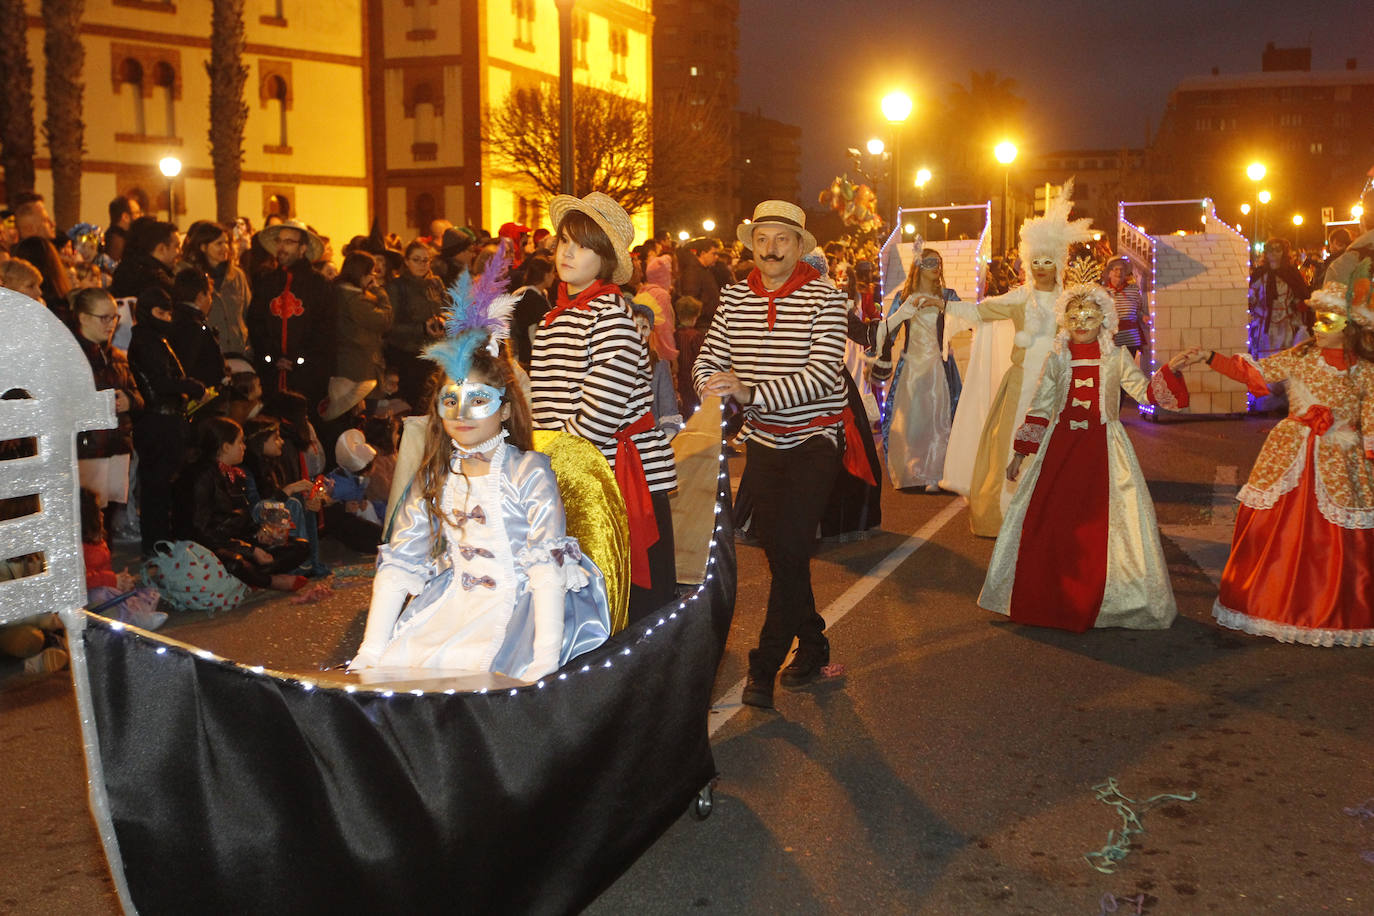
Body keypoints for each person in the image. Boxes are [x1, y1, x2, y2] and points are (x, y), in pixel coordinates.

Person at [350, 277, 612, 679]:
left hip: (523, 610)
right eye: (450, 400)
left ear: (505, 410)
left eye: (479, 400)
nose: (461, 413)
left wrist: (544, 659)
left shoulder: (528, 471)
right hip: (454, 603)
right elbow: (401, 561)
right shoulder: (433, 477)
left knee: (481, 674)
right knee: (404, 668)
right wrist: (370, 650)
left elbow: (546, 567)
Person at [694, 200, 850, 709]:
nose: (770, 248)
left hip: (814, 441)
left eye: (782, 238)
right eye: (762, 238)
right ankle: (814, 643)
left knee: (788, 547)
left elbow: (824, 373)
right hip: (763, 442)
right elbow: (708, 358)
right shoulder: (734, 297)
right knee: (784, 555)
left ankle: (763, 668)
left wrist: (750, 391)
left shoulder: (827, 299)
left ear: (800, 246)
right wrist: (713, 385)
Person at [979, 261, 1190, 632]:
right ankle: (1048, 595)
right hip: (1060, 451)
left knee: (1106, 525)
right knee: (1052, 522)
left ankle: (1112, 599)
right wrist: (1021, 451)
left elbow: (1143, 391)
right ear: (1064, 320)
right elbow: (1042, 405)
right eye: (1074, 316)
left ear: (1104, 320)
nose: (1081, 323)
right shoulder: (1058, 357)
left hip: (1105, 450)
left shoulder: (1115, 357)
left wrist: (1170, 371)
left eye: (1090, 316)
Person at [1176, 268, 1374, 646]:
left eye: (1328, 319)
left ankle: (1337, 610)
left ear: (1351, 325)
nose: (1318, 326)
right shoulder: (1299, 358)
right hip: (1291, 454)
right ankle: (1273, 602)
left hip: (1342, 461)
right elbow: (1253, 371)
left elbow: (1372, 419)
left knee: (1342, 543)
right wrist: (1209, 357)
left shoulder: (1366, 372)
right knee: (1278, 536)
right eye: (1315, 318)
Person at [529, 193, 677, 619]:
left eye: (585, 245)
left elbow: (599, 414)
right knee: (587, 595)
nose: (568, 252)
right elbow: (544, 402)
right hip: (573, 470)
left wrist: (546, 461)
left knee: (629, 600)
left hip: (615, 473)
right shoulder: (554, 318)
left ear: (608, 258)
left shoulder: (610, 316)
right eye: (563, 241)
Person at [944, 181, 1095, 536]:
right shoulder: (1018, 299)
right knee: (1012, 446)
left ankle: (1056, 514)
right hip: (1021, 384)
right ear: (1029, 264)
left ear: (1058, 263)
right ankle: (1010, 515)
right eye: (1036, 261)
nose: (1042, 267)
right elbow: (980, 313)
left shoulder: (1070, 300)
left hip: (1060, 385)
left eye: (1048, 260)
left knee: (1058, 448)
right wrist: (939, 304)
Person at [175, 417, 310, 591]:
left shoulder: (235, 474)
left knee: (300, 546)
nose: (244, 447)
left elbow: (241, 518)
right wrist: (250, 549)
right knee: (235, 563)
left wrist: (260, 534)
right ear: (225, 447)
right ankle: (269, 581)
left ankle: (251, 577)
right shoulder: (200, 477)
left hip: (235, 541)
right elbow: (201, 532)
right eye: (240, 442)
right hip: (204, 547)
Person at [876, 247, 962, 491]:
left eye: (938, 262)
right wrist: (876, 356)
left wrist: (944, 306)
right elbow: (888, 332)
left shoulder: (949, 295)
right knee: (911, 423)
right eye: (929, 262)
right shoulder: (904, 299)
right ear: (918, 266)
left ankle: (936, 474)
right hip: (911, 367)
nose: (936, 266)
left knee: (939, 420)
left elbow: (968, 320)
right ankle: (915, 470)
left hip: (940, 366)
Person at [127, 286, 206, 554]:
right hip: (158, 422)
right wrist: (188, 386)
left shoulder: (153, 338)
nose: (168, 318)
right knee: (157, 490)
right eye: (161, 312)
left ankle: (161, 542)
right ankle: (157, 545)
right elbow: (159, 383)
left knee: (161, 489)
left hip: (165, 420)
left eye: (168, 312)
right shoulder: (146, 341)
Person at [70, 288, 143, 529]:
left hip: (115, 447)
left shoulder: (116, 356)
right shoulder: (70, 356)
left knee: (106, 520)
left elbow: (139, 395)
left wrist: (130, 400)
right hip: (86, 450)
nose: (111, 323)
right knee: (86, 521)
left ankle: (104, 566)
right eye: (105, 317)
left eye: (115, 317)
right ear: (83, 317)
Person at [245, 219, 333, 403]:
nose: (282, 247)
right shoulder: (266, 281)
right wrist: (272, 354)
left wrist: (298, 357)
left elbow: (325, 328)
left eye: (289, 242)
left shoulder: (319, 284)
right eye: (280, 241)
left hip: (307, 374)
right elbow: (255, 322)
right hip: (271, 372)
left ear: (302, 248)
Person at [80, 488, 167, 631]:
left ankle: (136, 609)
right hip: (88, 600)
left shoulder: (97, 542)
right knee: (102, 594)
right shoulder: (80, 548)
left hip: (102, 589)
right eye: (98, 511)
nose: (102, 514)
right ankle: (136, 619)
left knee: (128, 592)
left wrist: (120, 581)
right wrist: (113, 580)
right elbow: (84, 580)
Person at [384, 240, 447, 408]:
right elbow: (390, 325)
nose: (422, 264)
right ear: (406, 261)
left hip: (435, 353)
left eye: (426, 260)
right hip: (408, 355)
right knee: (414, 406)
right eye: (416, 260)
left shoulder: (435, 283)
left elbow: (449, 308)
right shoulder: (397, 287)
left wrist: (443, 321)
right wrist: (421, 328)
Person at [180, 220, 253, 359]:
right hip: (207, 356)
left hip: (239, 355)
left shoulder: (237, 276)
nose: (225, 248)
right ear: (203, 247)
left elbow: (248, 313)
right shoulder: (191, 277)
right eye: (219, 244)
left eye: (226, 243)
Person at [333, 250, 393, 391]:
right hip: (358, 365)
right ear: (361, 274)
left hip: (348, 362)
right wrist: (380, 293)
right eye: (371, 273)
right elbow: (383, 320)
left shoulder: (339, 292)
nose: (373, 277)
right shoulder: (355, 299)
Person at [1248, 238, 1311, 366]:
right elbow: (1250, 297)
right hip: (1264, 325)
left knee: (1286, 361)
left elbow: (1300, 296)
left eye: (1278, 250)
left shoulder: (1291, 273)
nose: (1273, 253)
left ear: (1284, 252)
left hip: (1286, 323)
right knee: (1264, 363)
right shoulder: (1260, 274)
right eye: (1270, 250)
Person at [166, 267, 227, 391]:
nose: (211, 301)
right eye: (209, 295)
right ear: (200, 297)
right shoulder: (195, 328)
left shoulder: (169, 320)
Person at [630, 300, 682, 440]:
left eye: (644, 327)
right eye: (634, 326)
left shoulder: (659, 365)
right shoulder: (613, 364)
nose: (639, 332)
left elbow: (668, 409)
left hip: (650, 442)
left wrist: (663, 444)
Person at [507, 254, 555, 369]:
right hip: (526, 355)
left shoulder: (531, 293)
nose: (554, 277)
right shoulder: (532, 298)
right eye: (553, 273)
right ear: (546, 275)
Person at [1104, 256, 1147, 356]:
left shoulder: (1134, 289)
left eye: (1122, 270)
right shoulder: (1103, 292)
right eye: (1116, 269)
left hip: (1131, 339)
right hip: (1112, 339)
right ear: (1110, 273)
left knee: (1129, 368)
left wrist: (1143, 316)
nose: (1119, 272)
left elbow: (1137, 310)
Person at [679, 237, 722, 330]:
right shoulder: (693, 272)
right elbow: (691, 299)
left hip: (707, 322)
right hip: (701, 325)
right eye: (714, 254)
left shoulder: (705, 270)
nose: (716, 257)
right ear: (702, 253)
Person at [674, 296, 705, 417]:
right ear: (696, 316)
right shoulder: (697, 337)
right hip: (694, 382)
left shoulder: (675, 335)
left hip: (680, 381)